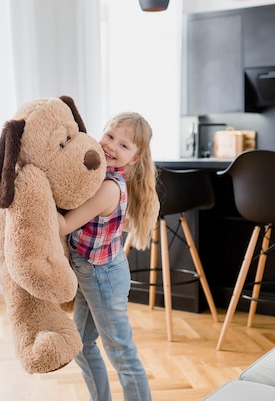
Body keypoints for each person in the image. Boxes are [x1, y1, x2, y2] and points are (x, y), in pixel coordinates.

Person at [58, 112, 160, 401]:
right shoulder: (99, 174)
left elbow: (64, 225)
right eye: (110, 136)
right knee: (82, 343)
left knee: (122, 356)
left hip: (101, 276)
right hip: (97, 272)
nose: (112, 146)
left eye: (124, 146)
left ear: (135, 158)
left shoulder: (108, 187)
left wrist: (33, 202)